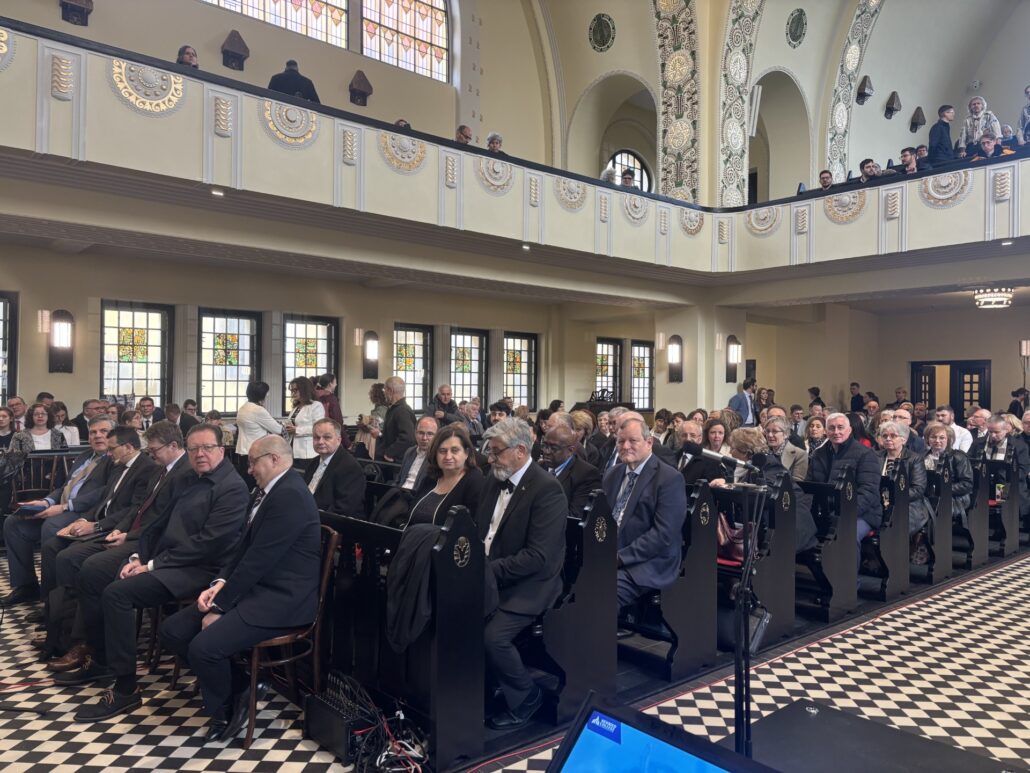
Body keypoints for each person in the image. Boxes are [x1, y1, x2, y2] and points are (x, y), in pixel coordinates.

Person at [60, 424, 249, 722]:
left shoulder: (232, 488)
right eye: (194, 448)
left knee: (117, 594)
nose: (200, 454)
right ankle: (101, 659)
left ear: (221, 451)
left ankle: (125, 688)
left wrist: (151, 565)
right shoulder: (188, 477)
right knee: (102, 578)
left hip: (202, 569)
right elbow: (156, 524)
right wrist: (139, 556)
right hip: (171, 561)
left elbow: (208, 545)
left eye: (207, 448)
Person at [160, 435, 321, 743]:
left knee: (204, 648)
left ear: (274, 459)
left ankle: (225, 708)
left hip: (281, 599)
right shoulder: (267, 491)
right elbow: (242, 549)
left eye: (252, 462)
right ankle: (242, 684)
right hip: (253, 589)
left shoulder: (290, 496)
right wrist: (219, 585)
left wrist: (221, 607)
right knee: (173, 631)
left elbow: (258, 561)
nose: (249, 470)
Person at [39, 426, 158, 666]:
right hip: (102, 524)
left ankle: (78, 639)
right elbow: (105, 501)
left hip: (116, 530)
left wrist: (98, 526)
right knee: (53, 547)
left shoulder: (146, 469)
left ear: (129, 447)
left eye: (113, 448)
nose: (109, 453)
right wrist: (83, 521)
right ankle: (58, 627)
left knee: (71, 559)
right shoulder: (118, 466)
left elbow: (133, 510)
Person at [477, 418, 566, 730]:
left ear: (520, 451)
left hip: (531, 583)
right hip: (492, 574)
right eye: (489, 451)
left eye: (496, 452)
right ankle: (479, 689)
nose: (490, 458)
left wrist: (485, 571)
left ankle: (528, 696)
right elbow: (482, 531)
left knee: (493, 637)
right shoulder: (494, 480)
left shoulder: (547, 489)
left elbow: (537, 557)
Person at [2, 416, 115, 605]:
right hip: (60, 507)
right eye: (93, 432)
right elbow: (64, 487)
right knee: (13, 523)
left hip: (84, 513)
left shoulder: (114, 460)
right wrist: (46, 502)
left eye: (103, 431)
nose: (97, 436)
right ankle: (26, 586)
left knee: (51, 525)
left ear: (114, 435)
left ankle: (51, 600)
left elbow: (104, 493)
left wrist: (64, 507)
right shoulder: (85, 456)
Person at [604, 416, 687, 609]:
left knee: (603, 592)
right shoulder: (612, 474)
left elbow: (663, 534)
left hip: (648, 561)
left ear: (649, 442)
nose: (625, 446)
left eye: (633, 441)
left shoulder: (669, 478)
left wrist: (620, 557)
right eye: (620, 441)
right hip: (609, 553)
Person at [708, 428, 818, 555]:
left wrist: (729, 486)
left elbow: (769, 493)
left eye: (733, 448)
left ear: (745, 451)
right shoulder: (746, 465)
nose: (730, 452)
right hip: (769, 523)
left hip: (790, 526)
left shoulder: (769, 465)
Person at [807, 412, 881, 551]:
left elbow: (868, 491)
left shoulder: (865, 454)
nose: (836, 432)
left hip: (861, 513)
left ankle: (848, 567)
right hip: (824, 510)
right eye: (831, 428)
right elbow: (809, 486)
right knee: (796, 526)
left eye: (840, 427)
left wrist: (843, 513)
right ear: (826, 431)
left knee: (846, 535)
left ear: (849, 430)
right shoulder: (818, 454)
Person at [407, 425, 483, 526]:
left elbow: (470, 526)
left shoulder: (474, 481)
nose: (448, 456)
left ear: (466, 453)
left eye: (454, 450)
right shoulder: (431, 477)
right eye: (442, 451)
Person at [875, 421, 931, 543]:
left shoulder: (914, 459)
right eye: (885, 436)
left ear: (903, 439)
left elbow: (918, 489)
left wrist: (893, 498)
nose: (888, 439)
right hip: (878, 501)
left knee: (895, 524)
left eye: (893, 436)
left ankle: (894, 552)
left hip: (907, 503)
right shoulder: (875, 456)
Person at [303, 419, 366, 516]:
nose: (320, 442)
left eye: (327, 437)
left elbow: (344, 508)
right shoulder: (313, 462)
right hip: (308, 513)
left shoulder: (349, 467)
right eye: (316, 437)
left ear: (338, 440)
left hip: (332, 521)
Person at [539, 424, 601, 518]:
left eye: (553, 448)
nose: (546, 452)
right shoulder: (539, 467)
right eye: (544, 445)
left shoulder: (586, 474)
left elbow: (575, 516)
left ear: (570, 450)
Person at [923, 422, 974, 529]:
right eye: (933, 437)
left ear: (949, 440)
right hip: (926, 496)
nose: (937, 441)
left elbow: (967, 484)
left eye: (942, 438)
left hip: (954, 497)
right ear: (928, 439)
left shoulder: (958, 457)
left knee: (935, 507)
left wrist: (942, 489)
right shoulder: (922, 457)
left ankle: (934, 536)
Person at [234, 382, 283, 486]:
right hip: (255, 452)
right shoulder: (258, 410)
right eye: (267, 393)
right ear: (262, 394)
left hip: (242, 451)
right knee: (257, 483)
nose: (268, 395)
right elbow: (278, 429)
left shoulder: (243, 407)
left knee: (246, 483)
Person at [284, 377, 325, 465]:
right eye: (291, 391)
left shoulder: (316, 405)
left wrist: (297, 430)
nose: (293, 393)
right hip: (293, 449)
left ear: (304, 389)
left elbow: (319, 428)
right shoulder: (296, 407)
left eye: (295, 390)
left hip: (307, 451)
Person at [379, 376, 416, 462]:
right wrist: (380, 434)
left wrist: (389, 452)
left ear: (390, 391)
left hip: (397, 461)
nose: (384, 393)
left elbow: (408, 438)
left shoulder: (402, 411)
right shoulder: (395, 409)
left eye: (385, 390)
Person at [674, 420, 724, 484]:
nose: (688, 439)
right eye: (684, 435)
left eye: (692, 435)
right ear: (679, 438)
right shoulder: (672, 457)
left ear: (700, 439)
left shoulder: (711, 461)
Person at [763, 416, 807, 481]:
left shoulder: (799, 454)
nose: (770, 435)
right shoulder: (763, 453)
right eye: (767, 431)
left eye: (775, 431)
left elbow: (797, 482)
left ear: (785, 434)